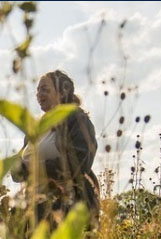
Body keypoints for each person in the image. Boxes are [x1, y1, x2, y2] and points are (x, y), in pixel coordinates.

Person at [11, 70, 100, 226]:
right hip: (33, 208)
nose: (39, 94)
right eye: (38, 89)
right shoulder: (35, 129)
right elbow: (17, 173)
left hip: (64, 208)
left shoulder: (76, 119)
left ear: (62, 92)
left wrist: (39, 167)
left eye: (45, 89)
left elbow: (81, 162)